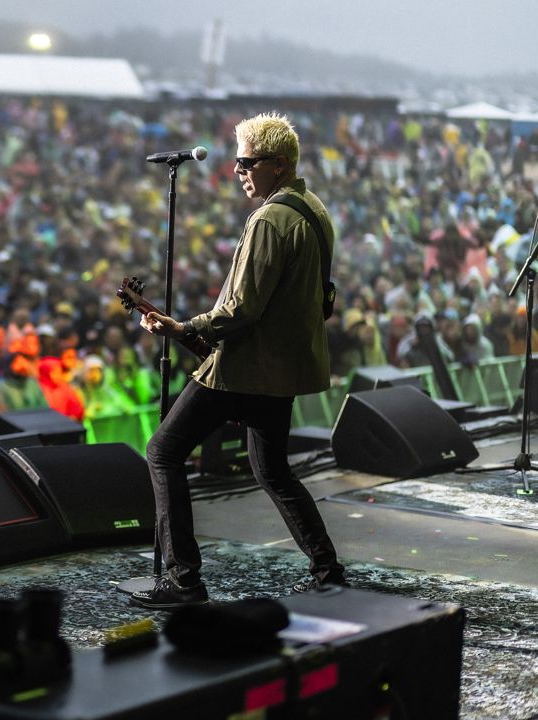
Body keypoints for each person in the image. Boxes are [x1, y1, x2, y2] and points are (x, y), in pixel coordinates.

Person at [131, 112, 346, 609]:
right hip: (283, 367)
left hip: (246, 368)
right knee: (272, 470)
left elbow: (242, 308)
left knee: (163, 451)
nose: (237, 170)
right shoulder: (313, 207)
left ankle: (183, 580)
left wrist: (184, 328)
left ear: (278, 164)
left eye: (247, 162)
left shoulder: (270, 218)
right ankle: (327, 570)